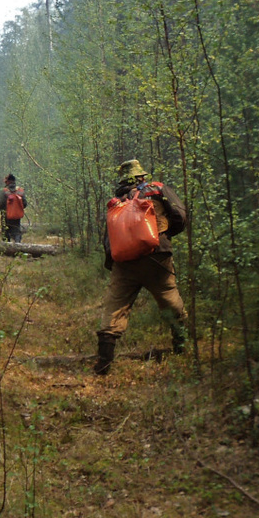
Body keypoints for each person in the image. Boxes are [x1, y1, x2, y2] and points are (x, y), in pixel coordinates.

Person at [95, 159, 189, 375]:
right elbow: (180, 216)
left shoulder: (115, 201)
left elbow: (108, 240)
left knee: (115, 307)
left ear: (123, 179)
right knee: (169, 298)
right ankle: (181, 347)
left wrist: (115, 264)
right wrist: (163, 237)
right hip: (157, 257)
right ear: (141, 176)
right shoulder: (156, 189)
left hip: (124, 264)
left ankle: (104, 363)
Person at [0, 174, 27, 243]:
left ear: (8, 182)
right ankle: (18, 247)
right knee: (16, 232)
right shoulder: (20, 191)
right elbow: (25, 204)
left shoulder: (5, 192)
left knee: (5, 232)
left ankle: (7, 249)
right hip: (17, 216)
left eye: (6, 180)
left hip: (6, 216)